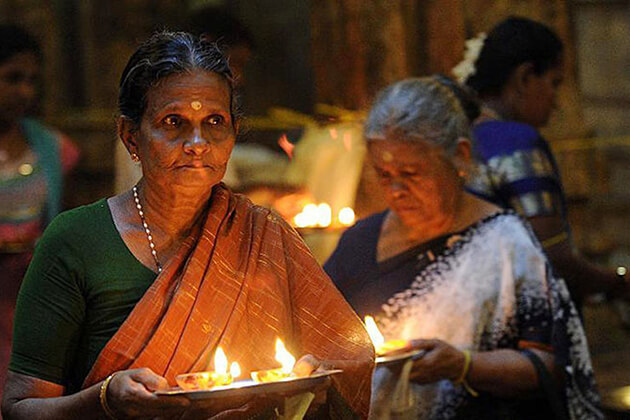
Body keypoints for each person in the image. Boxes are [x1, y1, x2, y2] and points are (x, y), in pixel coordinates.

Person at [2, 32, 374, 420]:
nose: (197, 142)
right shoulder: (75, 241)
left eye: (214, 121)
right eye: (173, 122)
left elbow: (347, 361)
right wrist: (105, 400)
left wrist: (307, 385)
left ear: (233, 133)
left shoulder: (262, 235)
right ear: (131, 137)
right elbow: (19, 409)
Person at [325, 77, 602, 419]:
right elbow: (320, 334)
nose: (395, 189)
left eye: (411, 173)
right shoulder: (359, 242)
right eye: (384, 174)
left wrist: (464, 365)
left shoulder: (505, 242)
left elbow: (548, 363)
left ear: (460, 156)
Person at [460, 16, 629, 307]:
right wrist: (618, 283)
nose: (556, 101)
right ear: (525, 78)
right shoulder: (515, 141)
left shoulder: (462, 132)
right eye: (554, 83)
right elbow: (550, 256)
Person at [0, 24, 79, 404]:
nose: (24, 92)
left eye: (32, 80)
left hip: (30, 301)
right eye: (12, 78)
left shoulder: (51, 149)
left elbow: (65, 227)